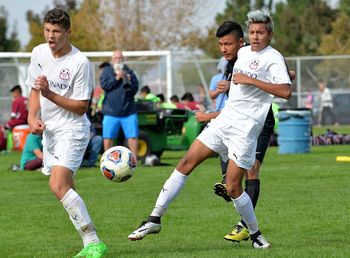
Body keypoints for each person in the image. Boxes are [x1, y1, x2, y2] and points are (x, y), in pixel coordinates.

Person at [128, 9, 292, 249]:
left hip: (245, 132)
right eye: (253, 32)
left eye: (261, 32)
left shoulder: (273, 57)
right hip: (224, 123)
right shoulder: (243, 52)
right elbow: (239, 96)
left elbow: (286, 92)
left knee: (234, 187)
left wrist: (253, 80)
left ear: (270, 34)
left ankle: (255, 235)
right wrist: (212, 113)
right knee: (185, 163)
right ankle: (154, 219)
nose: (256, 36)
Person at [195, 20, 295, 243]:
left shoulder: (260, 56)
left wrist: (286, 74)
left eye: (227, 44)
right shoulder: (236, 61)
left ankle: (244, 226)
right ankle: (231, 189)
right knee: (233, 175)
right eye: (221, 44)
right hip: (237, 122)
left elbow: (275, 79)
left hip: (260, 121)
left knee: (253, 168)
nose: (224, 49)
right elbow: (234, 102)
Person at [26, 8, 107, 257]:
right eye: (47, 30)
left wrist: (50, 94)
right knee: (65, 188)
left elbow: (82, 107)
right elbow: (34, 89)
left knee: (57, 184)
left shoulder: (80, 63)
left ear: (68, 32)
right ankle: (89, 243)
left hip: (73, 129)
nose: (51, 36)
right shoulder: (38, 52)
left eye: (57, 31)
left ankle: (94, 242)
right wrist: (32, 117)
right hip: (50, 133)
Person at [100, 50, 139, 156]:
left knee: (133, 136)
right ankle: (107, 158)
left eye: (120, 58)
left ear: (123, 59)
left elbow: (135, 89)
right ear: (112, 59)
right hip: (111, 112)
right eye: (115, 58)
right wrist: (117, 78)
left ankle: (134, 160)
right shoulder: (107, 71)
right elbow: (104, 85)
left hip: (128, 112)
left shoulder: (129, 71)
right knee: (108, 137)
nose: (118, 60)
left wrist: (128, 80)